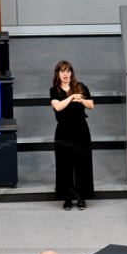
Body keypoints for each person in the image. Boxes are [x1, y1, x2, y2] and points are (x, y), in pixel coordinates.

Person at [50, 60, 94, 211]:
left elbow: (91, 105)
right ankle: (67, 199)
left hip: (81, 129)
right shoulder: (54, 90)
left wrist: (80, 98)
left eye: (68, 71)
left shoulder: (81, 86)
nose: (65, 74)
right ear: (58, 74)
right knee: (64, 165)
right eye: (62, 71)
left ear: (71, 73)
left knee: (82, 164)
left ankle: (81, 198)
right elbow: (58, 106)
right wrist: (71, 97)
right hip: (63, 130)